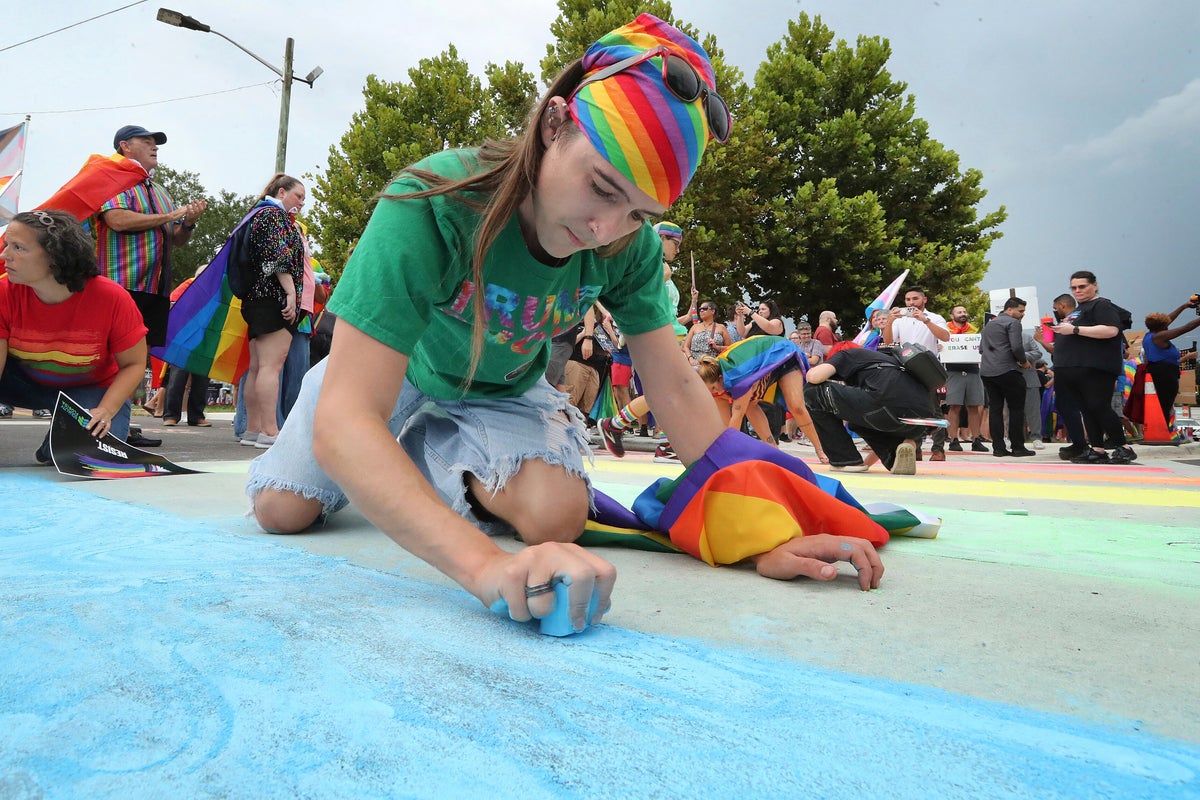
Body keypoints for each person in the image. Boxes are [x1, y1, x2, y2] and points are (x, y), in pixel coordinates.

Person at [246, 15, 883, 624]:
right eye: (604, 188)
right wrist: (486, 568)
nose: (607, 229)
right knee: (282, 510)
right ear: (554, 124)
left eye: (639, 213)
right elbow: (350, 416)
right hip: (398, 373)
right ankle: (397, 458)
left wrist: (763, 530)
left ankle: (407, 460)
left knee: (556, 514)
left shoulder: (625, 247)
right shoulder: (434, 202)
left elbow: (674, 386)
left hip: (505, 389)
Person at [0, 210, 148, 462]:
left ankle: (55, 446)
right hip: (20, 382)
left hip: (88, 390)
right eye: (6, 245)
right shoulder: (5, 292)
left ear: (56, 256)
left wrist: (106, 410)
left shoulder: (111, 298)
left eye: (18, 247)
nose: (4, 255)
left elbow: (134, 364)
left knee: (86, 455)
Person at [97, 124, 207, 448]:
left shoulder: (159, 191)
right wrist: (170, 215)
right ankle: (98, 426)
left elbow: (177, 239)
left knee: (135, 363)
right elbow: (116, 220)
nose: (154, 146)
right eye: (146, 141)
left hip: (154, 288)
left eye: (156, 142)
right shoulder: (113, 180)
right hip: (120, 284)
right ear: (124, 146)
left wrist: (187, 222)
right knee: (109, 361)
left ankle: (120, 426)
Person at [238, 174, 307, 450]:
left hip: (256, 300)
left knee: (257, 368)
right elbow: (276, 257)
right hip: (273, 299)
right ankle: (269, 430)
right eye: (298, 196)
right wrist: (291, 293)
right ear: (282, 192)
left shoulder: (257, 215)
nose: (301, 202)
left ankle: (253, 429)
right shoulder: (274, 216)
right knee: (270, 367)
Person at [803, 341, 939, 475]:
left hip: (886, 407)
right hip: (922, 422)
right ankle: (896, 454)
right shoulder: (890, 362)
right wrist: (864, 465)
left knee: (812, 391)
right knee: (857, 423)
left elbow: (814, 377)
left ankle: (844, 460)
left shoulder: (848, 354)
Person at [1050, 270, 1136, 464]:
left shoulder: (1101, 305)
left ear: (1094, 285)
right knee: (1087, 409)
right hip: (1074, 368)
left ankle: (1124, 447)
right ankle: (1097, 449)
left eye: (1082, 286)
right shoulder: (1081, 309)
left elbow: (1111, 330)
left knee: (1098, 406)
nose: (1078, 291)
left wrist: (1074, 329)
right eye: (1074, 287)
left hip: (1095, 367)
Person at [695, 336, 826, 461]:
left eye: (713, 388)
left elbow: (737, 417)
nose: (715, 392)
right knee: (750, 404)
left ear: (720, 379)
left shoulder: (739, 378)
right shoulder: (714, 379)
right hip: (761, 362)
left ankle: (820, 449)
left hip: (782, 353)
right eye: (710, 391)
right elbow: (726, 425)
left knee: (796, 405)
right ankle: (773, 448)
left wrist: (727, 452)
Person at [882, 287, 950, 460]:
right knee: (911, 409)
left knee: (933, 408)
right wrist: (889, 322)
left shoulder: (935, 317)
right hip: (907, 367)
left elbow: (945, 337)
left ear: (924, 300)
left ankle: (938, 449)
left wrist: (926, 321)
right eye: (908, 300)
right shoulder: (900, 319)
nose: (911, 303)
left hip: (928, 368)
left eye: (915, 299)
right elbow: (888, 341)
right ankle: (915, 448)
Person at [979, 297, 1036, 457]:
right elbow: (1016, 346)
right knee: (1016, 409)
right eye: (1020, 311)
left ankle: (998, 448)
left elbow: (982, 349)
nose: (1022, 314)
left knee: (995, 410)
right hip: (1008, 370)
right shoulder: (1013, 323)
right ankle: (1018, 446)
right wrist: (1024, 362)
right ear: (1009, 309)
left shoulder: (989, 325)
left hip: (988, 371)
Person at [160, 266, 211, 427]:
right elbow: (171, 304)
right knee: (177, 377)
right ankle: (171, 415)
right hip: (183, 338)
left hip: (205, 339)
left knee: (202, 379)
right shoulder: (187, 286)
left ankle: (196, 416)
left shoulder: (215, 291)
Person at [1141, 298, 1200, 425]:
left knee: (1164, 403)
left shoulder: (1150, 335)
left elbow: (1167, 319)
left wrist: (1184, 306)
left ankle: (1162, 429)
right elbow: (1186, 327)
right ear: (1162, 327)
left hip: (1161, 371)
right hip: (1164, 373)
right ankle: (1161, 430)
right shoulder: (1160, 337)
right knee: (1165, 403)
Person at [943, 305, 987, 453]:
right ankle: (953, 439)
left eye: (964, 311)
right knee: (954, 406)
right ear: (952, 315)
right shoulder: (945, 331)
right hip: (953, 371)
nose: (962, 314)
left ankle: (976, 439)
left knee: (974, 406)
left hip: (973, 370)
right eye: (959, 312)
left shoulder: (974, 331)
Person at [683, 299, 728, 363]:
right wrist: (691, 359)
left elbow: (730, 348)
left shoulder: (721, 327)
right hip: (695, 364)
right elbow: (685, 346)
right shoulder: (695, 327)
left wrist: (717, 347)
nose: (701, 310)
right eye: (700, 309)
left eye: (705, 308)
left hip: (713, 365)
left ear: (713, 311)